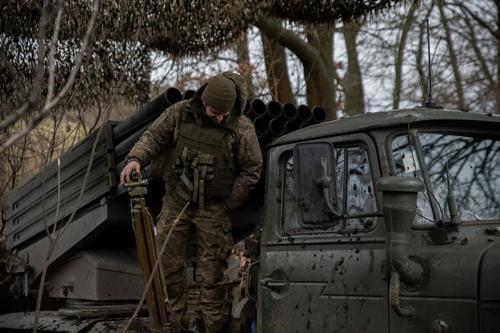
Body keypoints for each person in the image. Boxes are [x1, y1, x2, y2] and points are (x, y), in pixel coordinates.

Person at [120, 72, 262, 333]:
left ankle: (212, 328)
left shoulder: (241, 128)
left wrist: (230, 202)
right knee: (167, 266)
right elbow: (153, 137)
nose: (216, 116)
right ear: (203, 101)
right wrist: (135, 159)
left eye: (222, 113)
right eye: (212, 110)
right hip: (177, 201)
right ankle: (177, 326)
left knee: (213, 276)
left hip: (214, 208)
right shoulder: (180, 113)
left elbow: (252, 168)